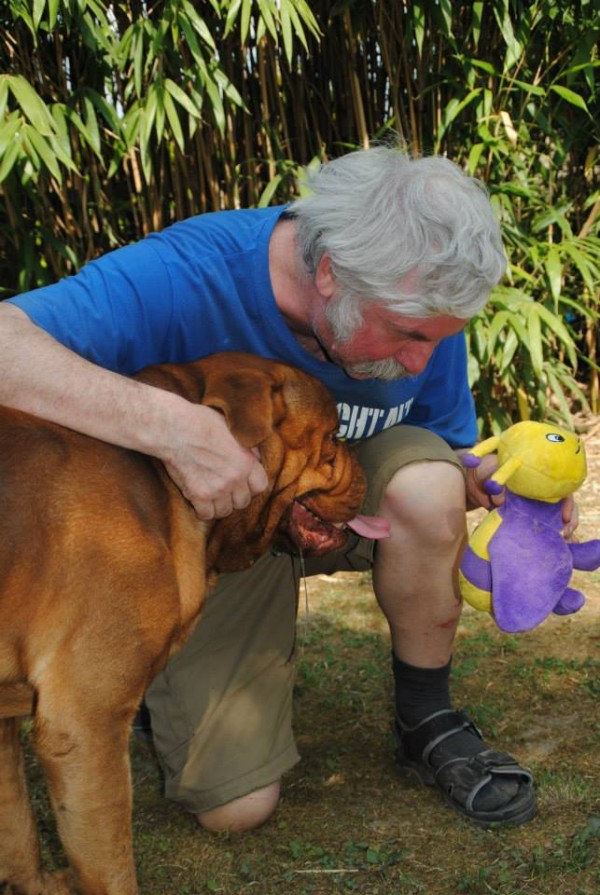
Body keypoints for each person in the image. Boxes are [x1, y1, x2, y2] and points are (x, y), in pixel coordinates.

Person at [0, 145, 564, 832]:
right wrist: (169, 426)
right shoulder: (185, 273)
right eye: (408, 335)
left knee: (427, 485)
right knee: (235, 808)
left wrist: (505, 491)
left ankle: (427, 718)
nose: (422, 360)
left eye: (439, 338)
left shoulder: (421, 298)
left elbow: (444, 442)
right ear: (330, 274)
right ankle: (151, 676)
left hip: (341, 490)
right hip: (208, 526)